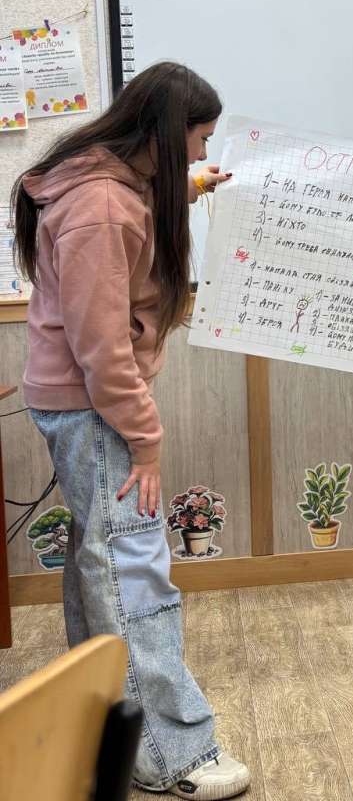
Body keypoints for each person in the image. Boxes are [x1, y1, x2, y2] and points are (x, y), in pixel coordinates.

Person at [10, 62, 249, 799]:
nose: (202, 155)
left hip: (83, 404)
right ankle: (171, 753)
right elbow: (103, 347)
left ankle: (106, 731)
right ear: (165, 135)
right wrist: (145, 438)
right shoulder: (104, 209)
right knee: (133, 569)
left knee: (103, 563)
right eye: (198, 142)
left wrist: (193, 187)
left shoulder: (104, 182)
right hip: (96, 408)